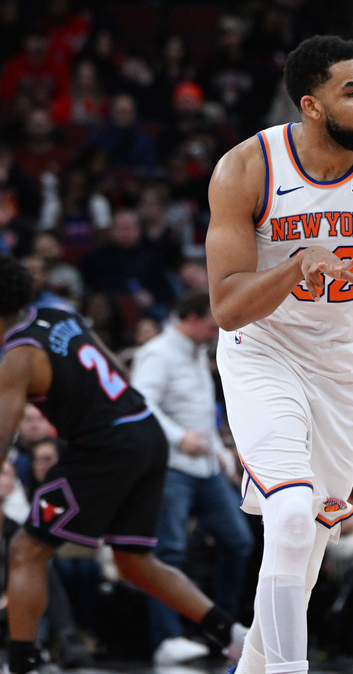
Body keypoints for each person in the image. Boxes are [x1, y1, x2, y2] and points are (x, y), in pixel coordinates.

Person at [205, 35, 353, 674]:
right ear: (311, 106)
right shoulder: (247, 169)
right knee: (286, 515)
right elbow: (225, 307)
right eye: (352, 91)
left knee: (304, 552)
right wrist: (294, 268)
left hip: (347, 373)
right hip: (263, 354)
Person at [0, 255, 246, 674]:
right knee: (134, 560)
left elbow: (3, 437)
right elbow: (115, 367)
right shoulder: (58, 313)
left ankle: (23, 664)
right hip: (144, 430)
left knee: (26, 550)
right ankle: (232, 635)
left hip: (106, 445)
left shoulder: (17, 355)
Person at [130, 291, 254, 665]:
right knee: (168, 551)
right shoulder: (157, 353)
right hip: (171, 466)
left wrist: (219, 448)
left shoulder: (198, 354)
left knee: (238, 542)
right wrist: (178, 437)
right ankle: (166, 638)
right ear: (193, 318)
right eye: (212, 324)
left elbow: (203, 410)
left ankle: (221, 631)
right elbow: (140, 404)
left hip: (205, 468)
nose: (217, 331)